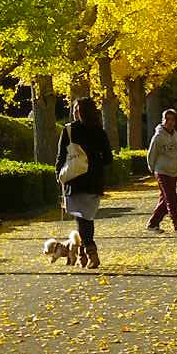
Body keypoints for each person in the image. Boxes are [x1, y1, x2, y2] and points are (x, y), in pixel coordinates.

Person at [56, 93, 112, 269]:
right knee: (86, 218)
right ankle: (83, 255)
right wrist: (93, 162)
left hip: (75, 179)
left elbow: (61, 156)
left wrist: (59, 174)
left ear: (78, 112)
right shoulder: (100, 131)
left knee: (82, 219)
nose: (74, 113)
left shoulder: (69, 130)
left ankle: (90, 250)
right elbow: (109, 158)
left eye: (75, 110)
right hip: (94, 180)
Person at [145, 105, 177, 233]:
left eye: (172, 119)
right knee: (171, 198)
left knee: (165, 199)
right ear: (163, 120)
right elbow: (151, 153)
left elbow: (176, 152)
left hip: (173, 171)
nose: (169, 122)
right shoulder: (158, 136)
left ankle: (153, 224)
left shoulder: (176, 135)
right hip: (162, 171)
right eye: (167, 119)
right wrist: (152, 168)